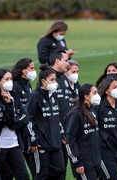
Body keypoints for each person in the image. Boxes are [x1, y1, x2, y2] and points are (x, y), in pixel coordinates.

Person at [26, 64, 65, 180]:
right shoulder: (35, 96)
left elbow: (56, 118)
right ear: (43, 81)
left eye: (55, 79)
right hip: (41, 143)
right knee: (41, 175)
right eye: (52, 80)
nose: (55, 83)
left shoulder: (53, 96)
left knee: (60, 170)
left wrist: (62, 134)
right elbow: (28, 119)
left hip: (55, 142)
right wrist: (33, 139)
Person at [0, 69, 31, 180]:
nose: (10, 81)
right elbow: (5, 120)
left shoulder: (14, 96)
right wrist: (9, 106)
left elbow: (26, 117)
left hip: (14, 143)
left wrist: (15, 123)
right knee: (1, 176)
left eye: (11, 79)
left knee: (23, 176)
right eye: (6, 79)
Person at [65, 84, 102, 180]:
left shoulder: (92, 112)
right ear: (86, 96)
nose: (97, 95)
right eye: (94, 93)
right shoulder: (76, 115)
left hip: (95, 162)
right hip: (84, 165)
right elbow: (69, 141)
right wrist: (77, 162)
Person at [11, 57, 37, 177]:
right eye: (31, 68)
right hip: (19, 132)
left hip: (28, 130)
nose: (34, 71)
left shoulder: (28, 85)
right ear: (23, 70)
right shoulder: (15, 86)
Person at [49, 49, 71, 179]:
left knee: (62, 169)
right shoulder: (49, 79)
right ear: (57, 61)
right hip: (55, 134)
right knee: (54, 170)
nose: (67, 64)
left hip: (66, 131)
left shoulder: (63, 78)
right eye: (66, 61)